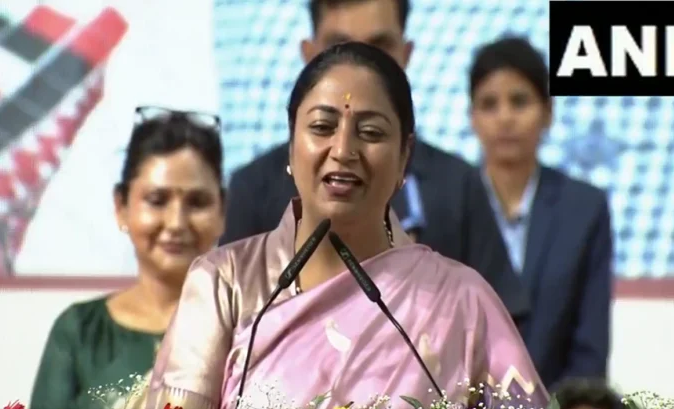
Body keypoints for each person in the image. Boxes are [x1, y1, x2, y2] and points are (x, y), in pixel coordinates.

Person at [145, 42, 548, 409]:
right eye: (322, 127)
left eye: (370, 132)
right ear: (291, 144)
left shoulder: (463, 302)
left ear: (404, 156)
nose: (343, 150)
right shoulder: (224, 285)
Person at [219, 0, 528, 320]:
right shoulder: (253, 189)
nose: (359, 69)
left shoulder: (458, 185)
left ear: (406, 54)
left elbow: (497, 322)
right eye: (340, 48)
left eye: (379, 49)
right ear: (309, 54)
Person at [30, 107, 226, 409]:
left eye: (197, 202)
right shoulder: (80, 332)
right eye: (157, 200)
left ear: (222, 210)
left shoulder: (248, 331)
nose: (176, 223)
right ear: (122, 206)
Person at [469, 36, 613, 389]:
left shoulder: (584, 209)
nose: (505, 118)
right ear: (472, 117)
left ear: (548, 112)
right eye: (489, 104)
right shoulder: (451, 202)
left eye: (519, 101)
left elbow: (590, 350)